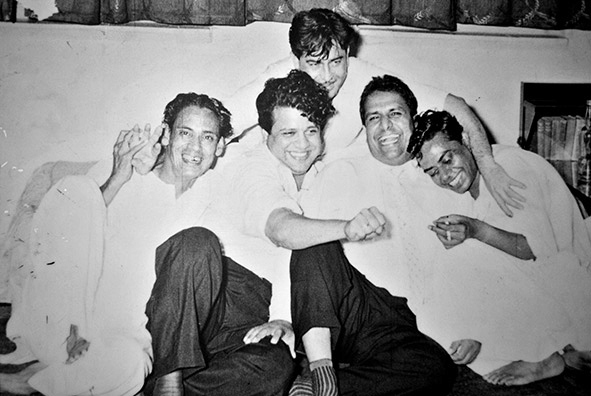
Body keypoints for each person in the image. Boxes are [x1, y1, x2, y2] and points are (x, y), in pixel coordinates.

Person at [0, 92, 294, 396]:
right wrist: (118, 175)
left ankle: (159, 383)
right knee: (127, 366)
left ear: (219, 147)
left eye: (207, 137)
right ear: (165, 134)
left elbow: (275, 242)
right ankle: (45, 378)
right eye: (185, 133)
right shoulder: (125, 178)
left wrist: (283, 316)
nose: (195, 148)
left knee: (274, 367)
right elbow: (64, 235)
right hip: (91, 326)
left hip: (154, 339)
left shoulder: (212, 191)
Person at [225, 8, 524, 217]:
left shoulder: (360, 76)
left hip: (326, 181)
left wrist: (490, 167)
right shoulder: (277, 78)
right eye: (315, 63)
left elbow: (456, 104)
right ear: (296, 60)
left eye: (336, 61)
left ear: (348, 54)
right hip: (273, 175)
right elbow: (221, 121)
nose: (328, 76)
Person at [405, 109, 591, 386]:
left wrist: (475, 230)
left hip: (574, 286)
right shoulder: (472, 185)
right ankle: (559, 347)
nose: (445, 175)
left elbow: (535, 249)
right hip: (550, 292)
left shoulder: (509, 166)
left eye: (447, 159)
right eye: (433, 171)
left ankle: (545, 354)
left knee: (466, 254)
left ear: (467, 141)